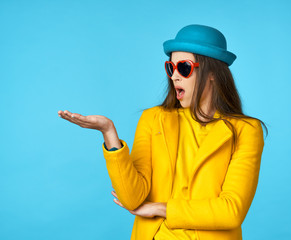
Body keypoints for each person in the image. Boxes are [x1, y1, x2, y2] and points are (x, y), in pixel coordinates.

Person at [58, 24, 268, 240]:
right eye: (170, 68)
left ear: (212, 72)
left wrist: (160, 208)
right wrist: (109, 134)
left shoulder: (246, 130)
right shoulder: (153, 119)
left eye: (184, 68)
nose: (174, 76)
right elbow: (132, 199)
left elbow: (231, 212)